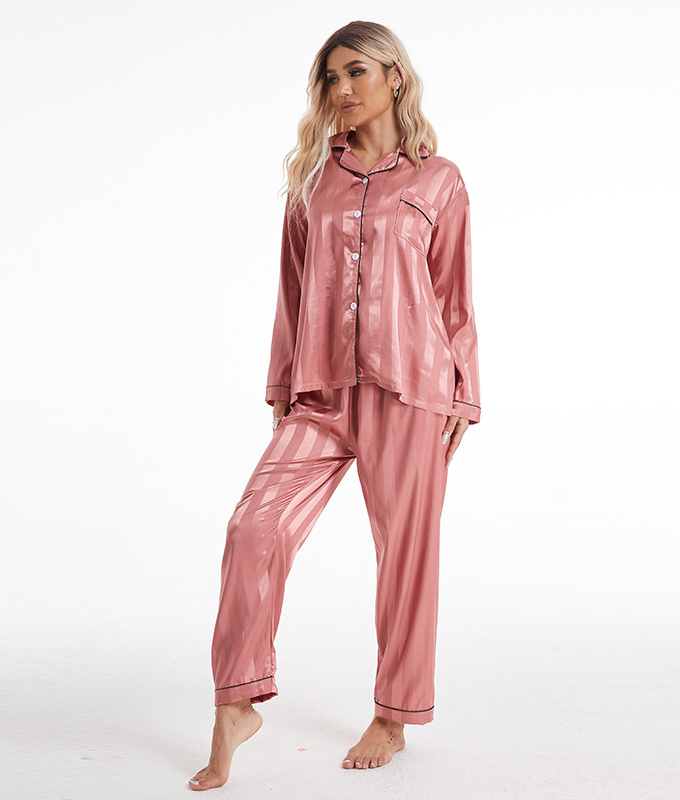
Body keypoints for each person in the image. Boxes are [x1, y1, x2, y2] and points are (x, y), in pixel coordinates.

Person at [189, 19, 480, 791]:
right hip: (319, 393)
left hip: (412, 387)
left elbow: (454, 296)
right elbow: (290, 292)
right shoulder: (312, 179)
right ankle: (238, 700)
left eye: (355, 72)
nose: (341, 89)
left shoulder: (440, 180)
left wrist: (465, 391)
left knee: (406, 558)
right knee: (253, 527)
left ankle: (394, 715)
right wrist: (282, 388)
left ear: (393, 76)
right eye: (330, 77)